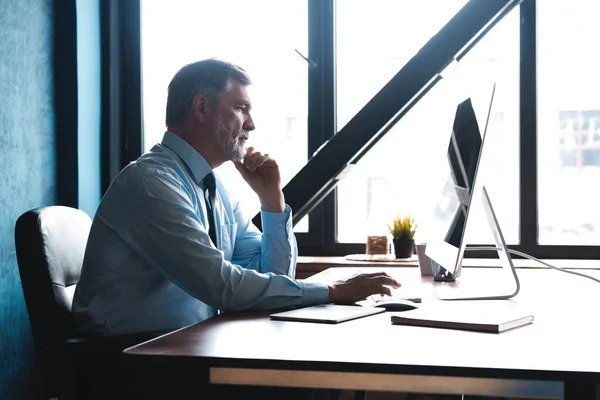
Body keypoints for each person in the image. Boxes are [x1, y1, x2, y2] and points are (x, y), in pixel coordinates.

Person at [71, 58, 399, 398]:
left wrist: (271, 200)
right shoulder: (153, 183)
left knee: (323, 373)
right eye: (241, 108)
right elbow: (222, 286)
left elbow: (271, 273)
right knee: (310, 381)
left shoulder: (215, 189)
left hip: (188, 347)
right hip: (134, 363)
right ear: (201, 107)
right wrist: (332, 291)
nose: (252, 124)